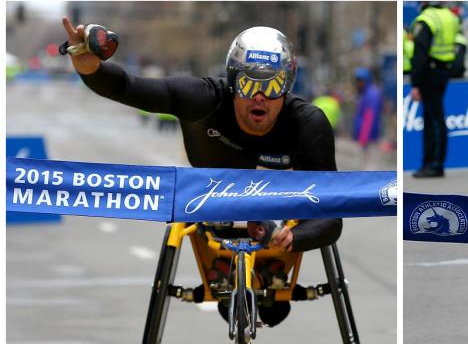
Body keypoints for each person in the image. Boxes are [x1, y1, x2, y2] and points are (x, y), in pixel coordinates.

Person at [61, 18, 342, 328]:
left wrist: (296, 236)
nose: (259, 96)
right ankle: (227, 282)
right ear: (233, 80)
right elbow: (127, 86)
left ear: (287, 86)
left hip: (278, 223)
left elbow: (331, 216)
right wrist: (87, 64)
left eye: (273, 85)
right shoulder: (203, 98)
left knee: (276, 309)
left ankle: (271, 283)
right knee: (224, 294)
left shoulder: (308, 123)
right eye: (248, 84)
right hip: (211, 208)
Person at [410, 2, 459, 178]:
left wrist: (416, 83)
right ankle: (431, 163)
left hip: (429, 73)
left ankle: (434, 164)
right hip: (443, 71)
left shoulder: (426, 20)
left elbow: (419, 54)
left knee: (434, 121)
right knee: (433, 119)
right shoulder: (450, 17)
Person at [352, 67, 384, 164]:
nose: (358, 84)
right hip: (365, 136)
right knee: (364, 164)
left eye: (360, 81)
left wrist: (363, 137)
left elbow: (370, 117)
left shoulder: (371, 94)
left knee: (370, 166)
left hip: (369, 137)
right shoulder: (365, 94)